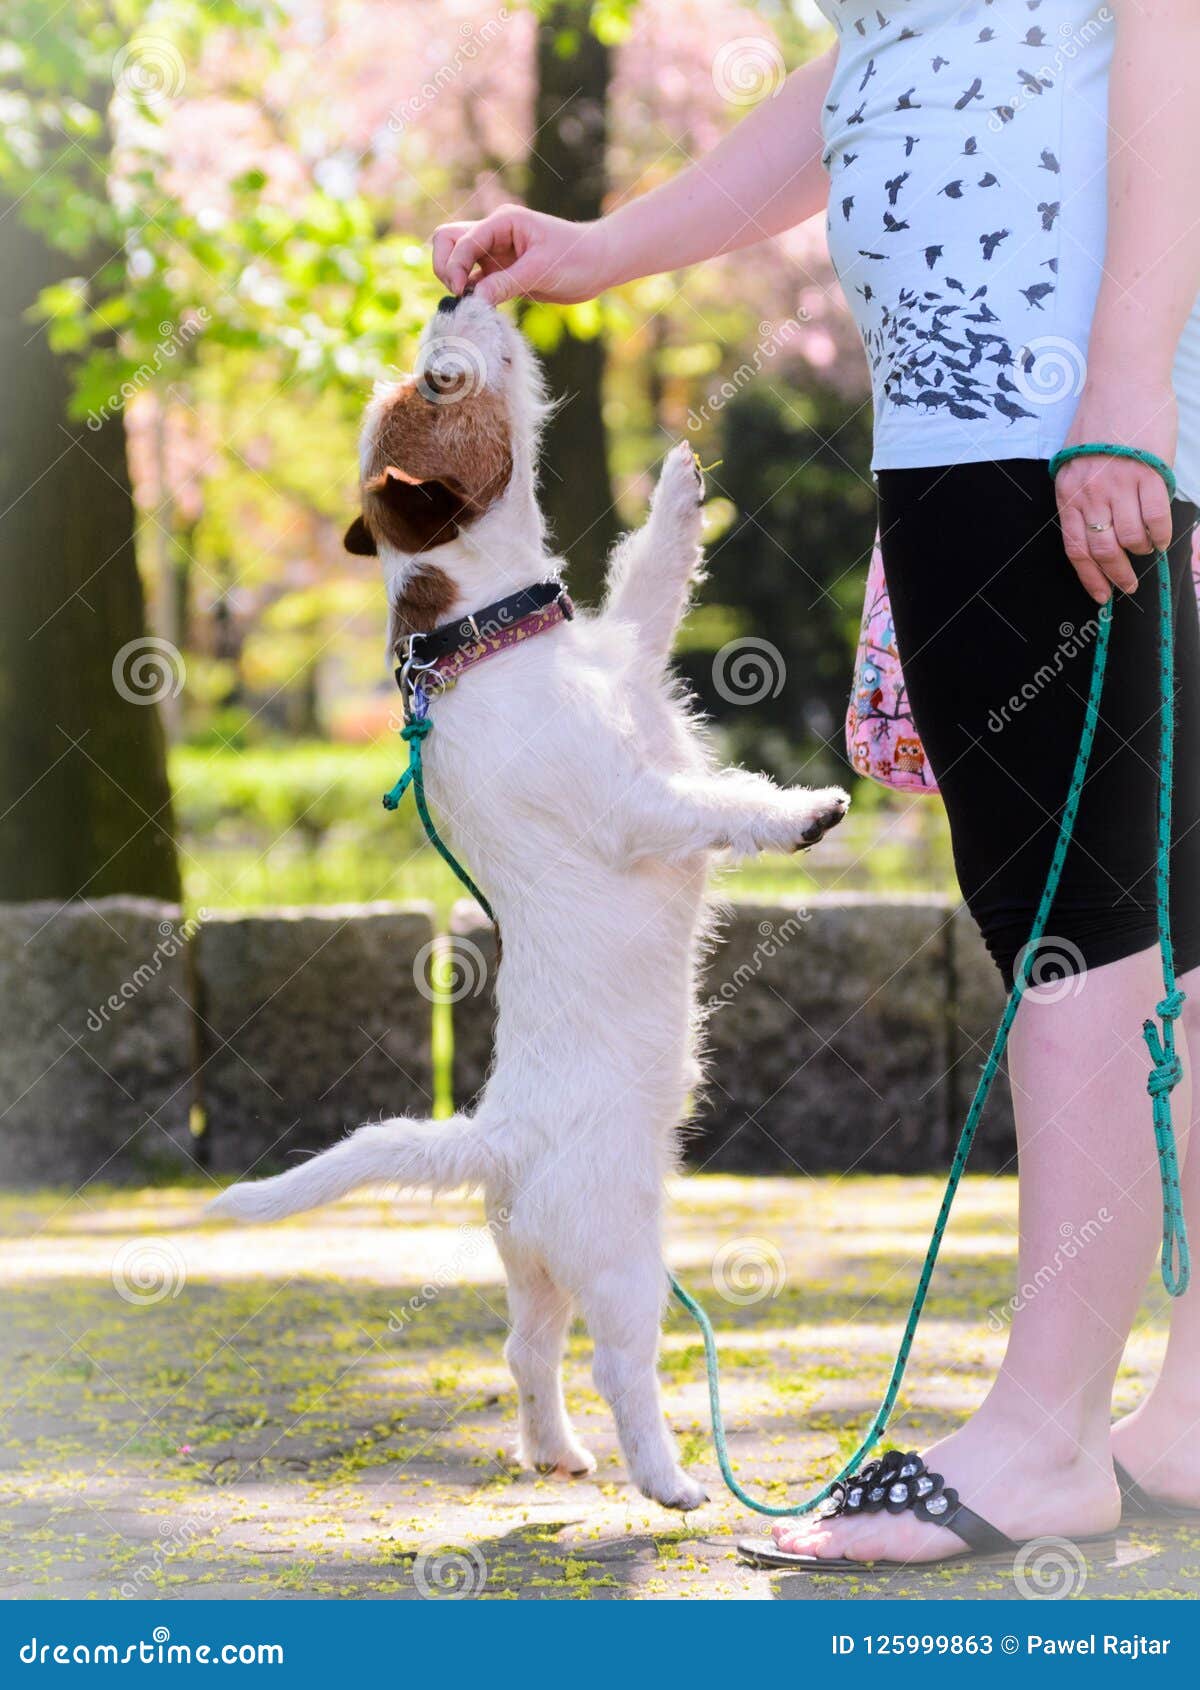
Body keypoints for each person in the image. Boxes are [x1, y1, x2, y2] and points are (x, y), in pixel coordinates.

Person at [431, 0, 1200, 1567]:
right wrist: (600, 247)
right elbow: (883, 56)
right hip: (1014, 417)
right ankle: (1186, 1410)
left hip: (1051, 422)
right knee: (1161, 922)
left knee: (1082, 917)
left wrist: (1121, 384)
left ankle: (1048, 1439)